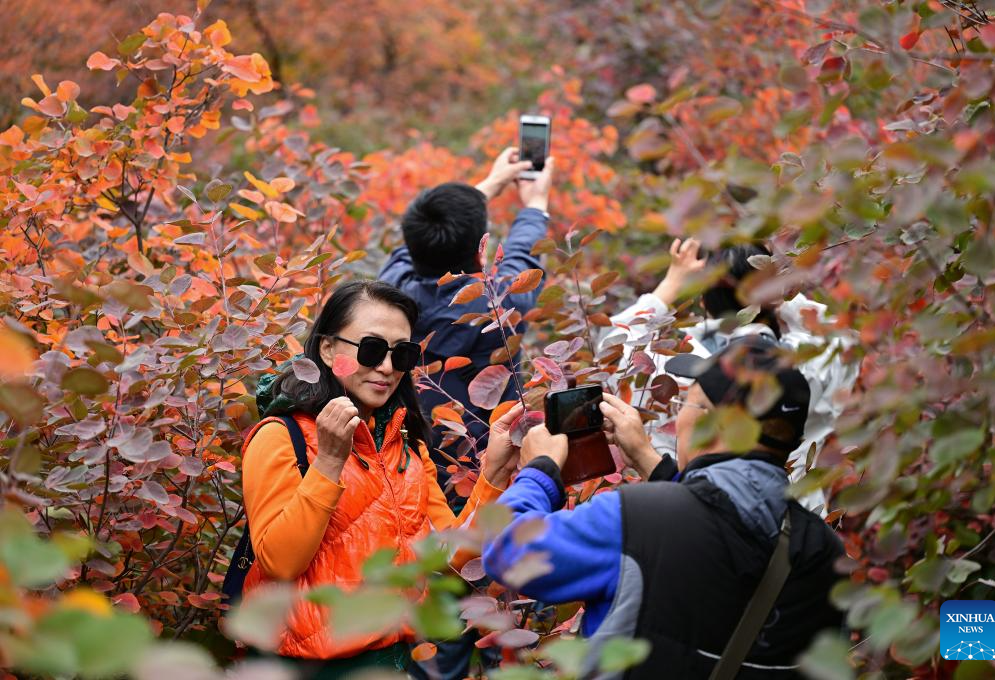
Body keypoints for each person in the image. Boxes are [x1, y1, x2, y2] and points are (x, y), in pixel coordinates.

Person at [482, 337, 846, 679]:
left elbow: (507, 550)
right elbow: (722, 525)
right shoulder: (826, 553)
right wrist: (649, 461)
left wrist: (538, 471)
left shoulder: (632, 520)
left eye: (688, 401)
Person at [241, 280, 523, 676]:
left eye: (402, 353)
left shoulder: (404, 445)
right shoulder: (280, 436)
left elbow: (445, 559)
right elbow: (279, 563)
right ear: (327, 349)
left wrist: (492, 474)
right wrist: (328, 464)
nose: (387, 368)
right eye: (371, 349)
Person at [600, 238, 857, 513]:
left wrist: (673, 282)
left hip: (687, 516)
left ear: (702, 299)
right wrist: (781, 298)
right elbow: (845, 335)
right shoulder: (809, 360)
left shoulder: (673, 368)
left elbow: (613, 342)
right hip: (793, 521)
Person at [379, 148, 554, 496]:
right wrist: (536, 204)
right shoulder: (502, 306)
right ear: (481, 252)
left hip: (407, 471)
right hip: (483, 473)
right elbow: (522, 255)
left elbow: (412, 246)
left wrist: (488, 185)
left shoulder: (390, 292)